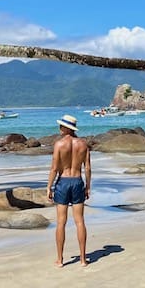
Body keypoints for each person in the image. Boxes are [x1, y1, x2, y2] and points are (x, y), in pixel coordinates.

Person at [47, 114, 91, 268]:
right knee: (80, 221)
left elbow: (54, 168)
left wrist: (49, 187)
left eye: (61, 125)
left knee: (61, 222)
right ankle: (83, 259)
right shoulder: (83, 144)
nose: (59, 128)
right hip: (78, 181)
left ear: (67, 128)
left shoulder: (59, 145)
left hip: (63, 182)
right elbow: (88, 168)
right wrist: (88, 186)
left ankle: (60, 260)